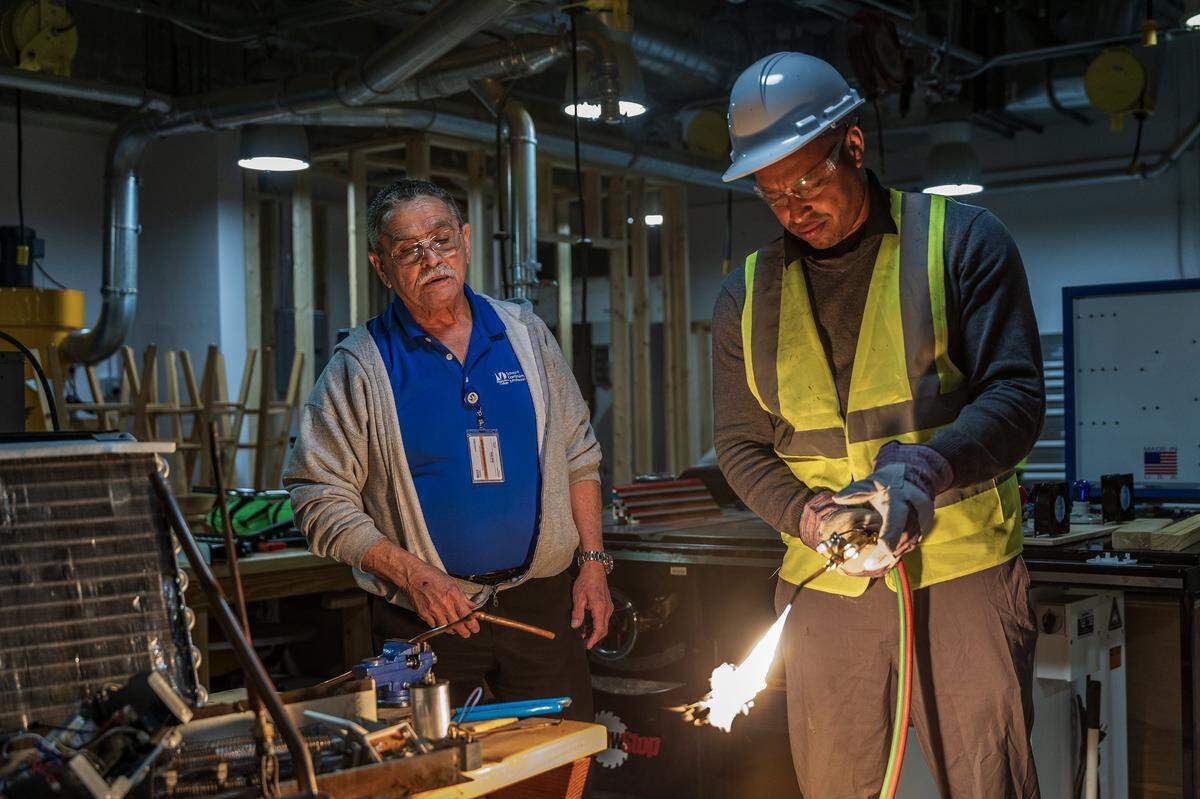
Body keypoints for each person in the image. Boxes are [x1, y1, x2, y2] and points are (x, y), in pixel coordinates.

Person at [712, 53, 1046, 798]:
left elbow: (1017, 395)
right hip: (825, 584)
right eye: (772, 195)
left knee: (987, 779)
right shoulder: (746, 294)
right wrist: (803, 514)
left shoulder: (960, 241)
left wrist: (922, 473)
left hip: (959, 574)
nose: (794, 209)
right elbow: (739, 442)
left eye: (806, 183)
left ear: (853, 147)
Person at [284, 179, 612, 719]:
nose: (430, 259)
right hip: (426, 615)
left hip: (542, 607)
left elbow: (579, 453)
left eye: (441, 240)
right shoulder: (360, 365)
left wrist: (594, 564)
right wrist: (413, 575)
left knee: (558, 771)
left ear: (465, 241)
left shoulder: (524, 334)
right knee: (437, 776)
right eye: (408, 250)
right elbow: (316, 494)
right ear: (380, 265)